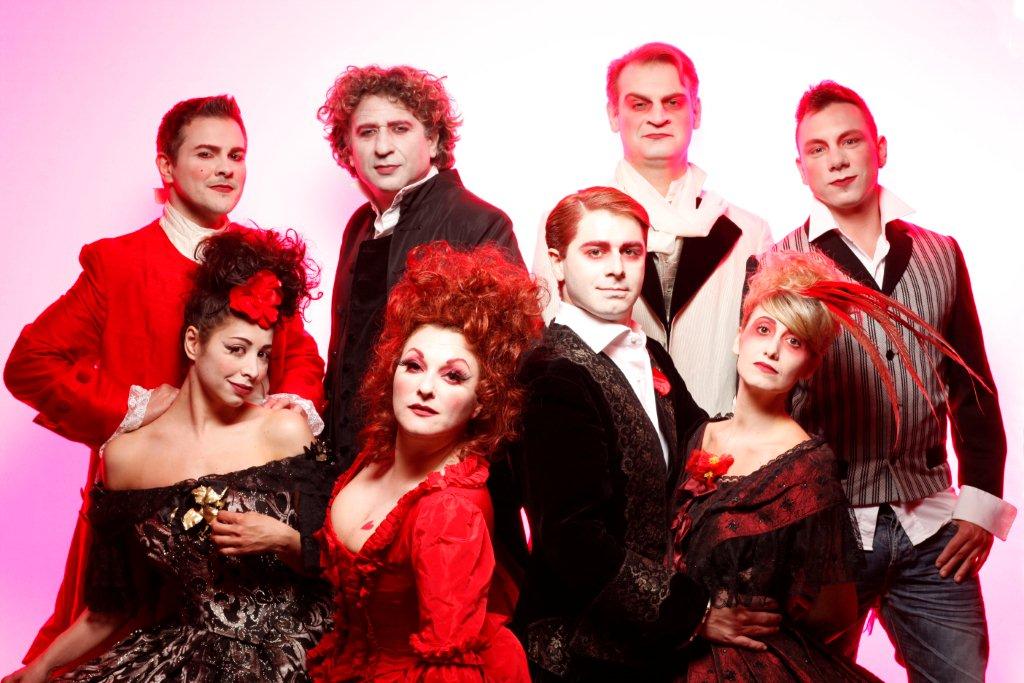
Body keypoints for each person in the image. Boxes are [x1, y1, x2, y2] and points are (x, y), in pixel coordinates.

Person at [3, 94, 325, 661]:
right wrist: (135, 406)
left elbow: (299, 355)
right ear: (167, 166)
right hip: (148, 506)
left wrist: (291, 404)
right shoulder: (117, 263)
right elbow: (31, 362)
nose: (225, 168)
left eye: (236, 155)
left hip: (241, 515)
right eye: (206, 153)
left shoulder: (260, 262)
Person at [772, 80, 1013, 681]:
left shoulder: (940, 253)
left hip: (931, 525)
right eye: (818, 148)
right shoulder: (781, 265)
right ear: (801, 168)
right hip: (827, 531)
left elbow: (974, 390)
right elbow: (768, 403)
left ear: (879, 148)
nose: (837, 159)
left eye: (850, 141)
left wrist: (981, 506)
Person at [510, 187, 780, 682]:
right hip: (580, 655)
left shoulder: (647, 350)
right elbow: (572, 540)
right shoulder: (552, 374)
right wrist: (696, 613)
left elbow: (702, 443)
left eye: (630, 251)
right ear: (558, 263)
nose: (616, 268)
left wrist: (782, 434)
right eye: (596, 252)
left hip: (650, 648)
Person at [306, 243, 541, 681]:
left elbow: (446, 666)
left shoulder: (448, 513)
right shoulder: (374, 457)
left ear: (481, 400)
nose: (426, 388)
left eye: (453, 375)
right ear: (390, 373)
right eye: (413, 366)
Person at [671, 250, 899, 681]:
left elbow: (836, 611)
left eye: (794, 342)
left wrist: (766, 644)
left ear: (810, 365)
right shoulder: (699, 434)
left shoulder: (808, 466)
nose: (773, 349)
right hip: (672, 649)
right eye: (763, 329)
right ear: (739, 339)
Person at [532, 42, 771, 415]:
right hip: (601, 433)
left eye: (672, 102)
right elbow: (547, 344)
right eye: (639, 104)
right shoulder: (567, 221)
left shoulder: (749, 233)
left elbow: (765, 355)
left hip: (717, 440)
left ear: (696, 111)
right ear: (614, 115)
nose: (658, 117)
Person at [318, 64, 523, 471]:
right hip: (352, 461)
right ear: (348, 147)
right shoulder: (359, 225)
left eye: (400, 129)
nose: (382, 147)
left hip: (433, 465)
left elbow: (505, 367)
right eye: (367, 132)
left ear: (432, 139)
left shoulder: (479, 223)